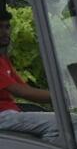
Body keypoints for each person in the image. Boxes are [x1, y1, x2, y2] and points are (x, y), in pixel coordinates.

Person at [0, 11, 61, 140]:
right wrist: (62, 97)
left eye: (7, 27)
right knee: (69, 122)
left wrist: (58, 95)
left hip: (8, 114)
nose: (5, 32)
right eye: (0, 27)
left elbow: (26, 89)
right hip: (2, 116)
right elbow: (20, 92)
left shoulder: (3, 60)